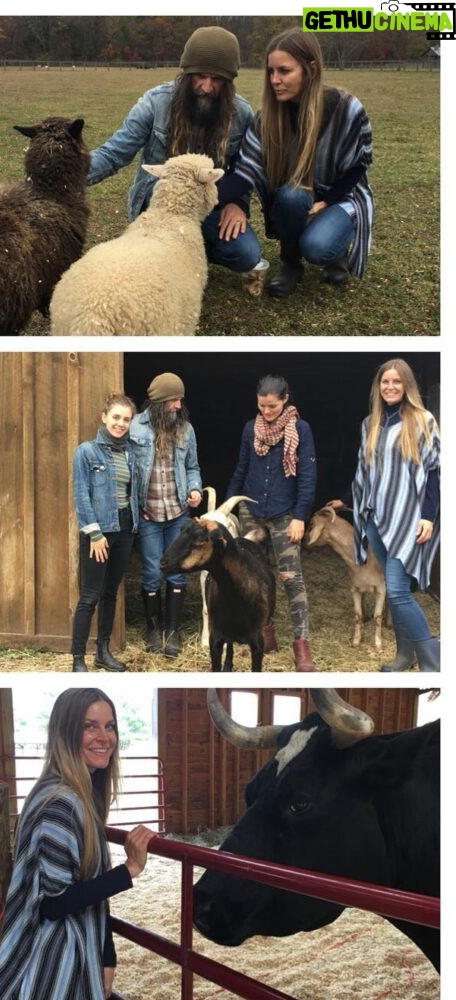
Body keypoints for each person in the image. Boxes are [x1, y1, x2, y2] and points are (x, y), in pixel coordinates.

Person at [0, 688, 156, 1000]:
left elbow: (86, 889)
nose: (104, 737)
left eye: (110, 726)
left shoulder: (78, 795)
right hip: (51, 970)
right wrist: (129, 870)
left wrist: (107, 952)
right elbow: (54, 904)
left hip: (71, 956)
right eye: (89, 726)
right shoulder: (61, 803)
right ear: (65, 732)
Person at [88, 26, 265, 282]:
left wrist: (239, 204)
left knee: (246, 255)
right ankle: (170, 254)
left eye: (216, 80)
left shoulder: (242, 114)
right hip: (160, 198)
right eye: (200, 76)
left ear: (228, 82)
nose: (206, 87)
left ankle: (185, 253)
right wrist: (67, 174)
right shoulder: (155, 102)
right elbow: (115, 152)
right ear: (187, 73)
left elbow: (244, 167)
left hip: (213, 203)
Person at [217, 27, 373, 298]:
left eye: (284, 71)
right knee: (289, 197)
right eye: (271, 71)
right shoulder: (266, 119)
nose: (275, 80)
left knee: (318, 247)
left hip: (341, 196)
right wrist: (201, 194)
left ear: (310, 69)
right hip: (298, 197)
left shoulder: (346, 108)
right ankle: (290, 262)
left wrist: (328, 201)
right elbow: (246, 174)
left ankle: (336, 254)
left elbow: (359, 164)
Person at [331, 359, 440, 672]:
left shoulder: (423, 420)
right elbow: (367, 473)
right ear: (378, 387)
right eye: (385, 382)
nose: (390, 387)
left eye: (396, 382)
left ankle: (434, 664)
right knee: (394, 592)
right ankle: (405, 656)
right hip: (375, 520)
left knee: (398, 589)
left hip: (409, 519)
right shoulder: (370, 424)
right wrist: (348, 500)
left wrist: (429, 516)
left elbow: (435, 471)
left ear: (407, 385)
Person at [226, 374, 318, 671]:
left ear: (285, 399)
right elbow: (242, 468)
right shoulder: (249, 429)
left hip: (284, 514)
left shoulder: (300, 430)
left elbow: (307, 477)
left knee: (292, 579)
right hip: (252, 511)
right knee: (255, 579)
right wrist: (229, 506)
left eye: (272, 407)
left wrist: (301, 516)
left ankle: (301, 647)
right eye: (262, 406)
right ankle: (265, 636)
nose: (267, 412)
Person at [129, 373, 203, 658]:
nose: (177, 404)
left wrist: (195, 489)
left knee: (178, 572)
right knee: (151, 572)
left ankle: (173, 631)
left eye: (180, 399)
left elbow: (193, 466)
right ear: (158, 402)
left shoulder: (186, 430)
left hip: (177, 515)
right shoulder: (135, 427)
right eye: (173, 399)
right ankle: (153, 628)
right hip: (149, 515)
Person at [71, 394, 138, 673]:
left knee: (111, 593)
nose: (120, 424)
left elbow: (132, 491)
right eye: (116, 418)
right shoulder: (86, 452)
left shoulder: (131, 452)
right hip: (99, 530)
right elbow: (81, 494)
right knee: (90, 595)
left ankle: (103, 652)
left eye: (126, 419)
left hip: (125, 528)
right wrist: (96, 535)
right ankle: (78, 658)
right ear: (104, 417)